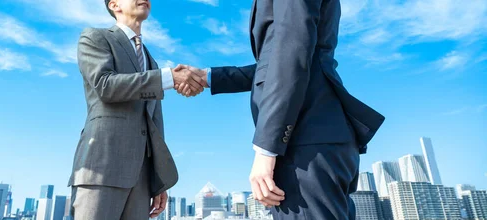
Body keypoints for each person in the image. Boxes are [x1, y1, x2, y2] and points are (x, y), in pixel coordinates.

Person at [175, 0, 385, 218]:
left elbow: (291, 52)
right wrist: (208, 77)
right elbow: (280, 61)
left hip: (305, 142)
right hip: (322, 135)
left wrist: (266, 149)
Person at [67, 0, 206, 219]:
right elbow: (105, 85)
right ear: (114, 5)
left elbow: (154, 122)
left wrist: (158, 180)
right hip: (102, 168)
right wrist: (169, 77)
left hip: (141, 179)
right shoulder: (95, 37)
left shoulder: (150, 61)